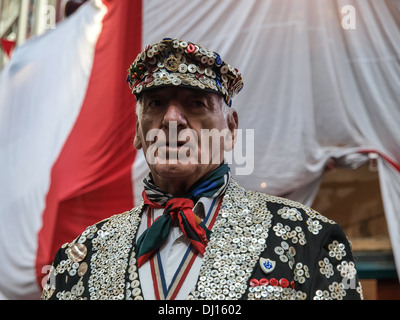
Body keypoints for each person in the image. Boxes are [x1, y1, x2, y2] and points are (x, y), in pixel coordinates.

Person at [41, 38, 363, 300]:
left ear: (231, 129)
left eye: (196, 103)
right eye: (156, 103)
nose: (171, 119)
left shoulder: (309, 240)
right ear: (138, 132)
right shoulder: (82, 257)